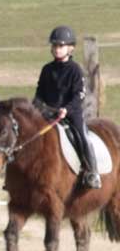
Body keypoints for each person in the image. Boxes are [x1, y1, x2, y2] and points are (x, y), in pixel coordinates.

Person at [33, 26, 100, 189]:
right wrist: (36, 106)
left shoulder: (75, 70)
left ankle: (92, 172)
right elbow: (39, 92)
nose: (57, 49)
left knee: (83, 137)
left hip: (71, 113)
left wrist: (67, 109)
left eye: (60, 46)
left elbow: (79, 95)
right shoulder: (47, 70)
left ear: (70, 48)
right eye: (54, 46)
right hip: (48, 113)